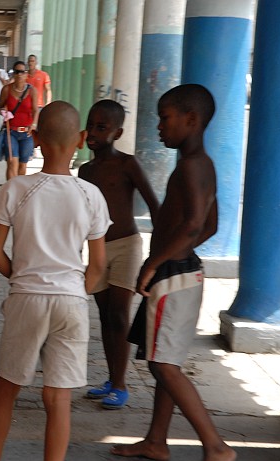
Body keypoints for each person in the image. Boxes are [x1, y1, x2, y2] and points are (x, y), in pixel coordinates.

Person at [111, 84, 235, 461]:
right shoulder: (201, 165)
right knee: (165, 361)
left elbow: (197, 225)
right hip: (183, 273)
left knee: (163, 364)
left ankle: (215, 446)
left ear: (191, 119)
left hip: (173, 276)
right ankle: (156, 441)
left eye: (165, 118)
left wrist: (153, 262)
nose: (160, 126)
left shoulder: (191, 167)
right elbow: (211, 226)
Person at [0, 101, 110, 461]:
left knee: (7, 388)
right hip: (72, 302)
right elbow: (97, 266)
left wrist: (22, 279)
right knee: (58, 398)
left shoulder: (17, 189)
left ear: (35, 138)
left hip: (26, 299)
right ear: (82, 140)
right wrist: (75, 292)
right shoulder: (91, 196)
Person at [78, 99, 159, 410]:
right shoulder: (85, 171)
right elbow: (80, 214)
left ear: (117, 132)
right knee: (104, 315)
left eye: (102, 127)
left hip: (126, 245)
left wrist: (156, 254)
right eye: (91, 125)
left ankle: (122, 384)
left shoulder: (128, 164)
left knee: (119, 315)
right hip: (98, 249)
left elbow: (154, 204)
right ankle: (111, 379)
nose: (94, 132)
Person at [0, 60, 39, 179]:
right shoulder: (6, 89)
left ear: (26, 74)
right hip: (11, 132)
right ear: (13, 74)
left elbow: (36, 110)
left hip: (27, 133)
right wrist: (4, 112)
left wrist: (34, 124)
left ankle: (18, 189)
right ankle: (11, 190)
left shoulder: (32, 91)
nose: (19, 74)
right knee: (12, 163)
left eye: (22, 72)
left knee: (22, 166)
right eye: (17, 72)